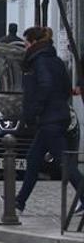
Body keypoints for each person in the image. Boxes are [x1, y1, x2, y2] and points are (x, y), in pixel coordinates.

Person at [16, 26, 84, 213]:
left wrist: (35, 110)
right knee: (33, 159)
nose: (25, 47)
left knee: (64, 163)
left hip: (50, 120)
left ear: (34, 43)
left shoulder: (40, 62)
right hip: (57, 116)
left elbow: (45, 87)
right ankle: (19, 201)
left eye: (26, 43)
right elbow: (64, 89)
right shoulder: (56, 61)